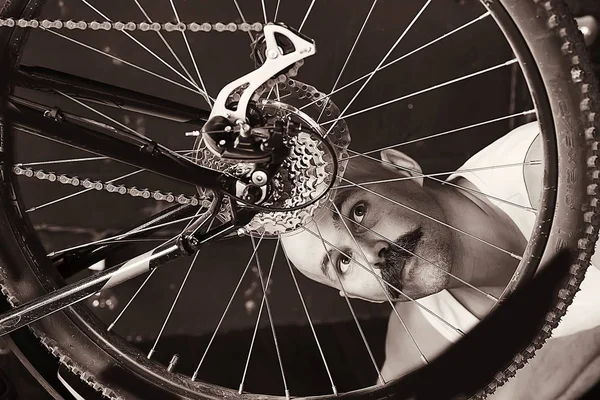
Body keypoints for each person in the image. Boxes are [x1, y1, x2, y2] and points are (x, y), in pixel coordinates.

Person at [281, 121, 600, 399]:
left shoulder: (552, 172)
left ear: (402, 169)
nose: (369, 254)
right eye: (343, 263)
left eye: (359, 211)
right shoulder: (421, 337)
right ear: (355, 296)